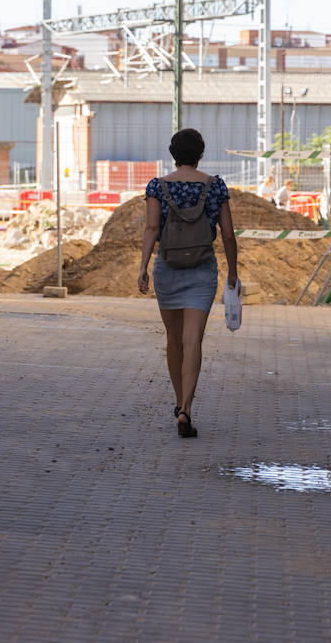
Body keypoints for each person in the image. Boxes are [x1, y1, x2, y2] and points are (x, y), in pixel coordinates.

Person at [137, 128, 238, 439]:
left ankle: (179, 401)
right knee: (193, 339)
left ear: (172, 153)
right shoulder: (215, 186)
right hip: (201, 270)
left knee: (174, 340)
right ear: (201, 154)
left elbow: (152, 228)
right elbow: (229, 235)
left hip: (167, 267)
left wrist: (142, 268)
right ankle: (186, 409)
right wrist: (233, 272)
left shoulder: (157, 186)